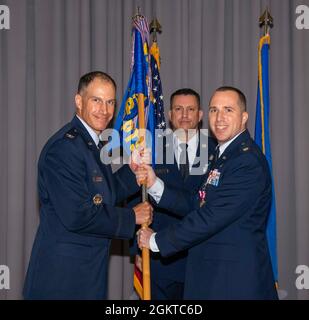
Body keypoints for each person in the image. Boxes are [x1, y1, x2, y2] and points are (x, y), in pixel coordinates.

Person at [137, 86, 278, 300]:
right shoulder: (223, 155)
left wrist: (157, 241)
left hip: (234, 281)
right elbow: (198, 203)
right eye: (214, 110)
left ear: (244, 117)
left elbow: (210, 217)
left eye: (228, 110)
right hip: (214, 276)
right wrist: (155, 183)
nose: (219, 117)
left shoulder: (246, 162)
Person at [23, 71, 153, 300]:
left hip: (85, 274)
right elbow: (77, 214)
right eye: (96, 100)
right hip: (62, 280)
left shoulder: (89, 143)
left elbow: (103, 193)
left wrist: (132, 173)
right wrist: (131, 217)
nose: (104, 110)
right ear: (79, 101)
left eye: (110, 102)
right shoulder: (64, 148)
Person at [132, 88, 214, 299]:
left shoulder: (217, 152)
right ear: (169, 115)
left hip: (202, 258)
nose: (185, 115)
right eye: (178, 109)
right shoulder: (152, 150)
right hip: (160, 260)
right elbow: (136, 199)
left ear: (200, 115)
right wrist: (137, 249)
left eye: (190, 109)